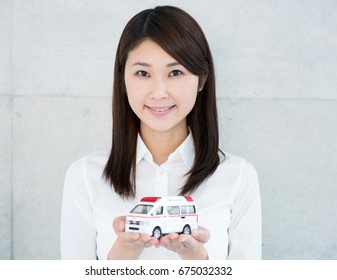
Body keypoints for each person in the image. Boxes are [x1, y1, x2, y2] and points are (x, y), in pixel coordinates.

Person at [61, 5, 261, 260]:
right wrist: (123, 253)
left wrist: (197, 259)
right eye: (143, 73)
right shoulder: (85, 177)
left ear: (202, 80)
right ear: (123, 79)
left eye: (175, 72)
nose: (159, 92)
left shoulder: (238, 176)